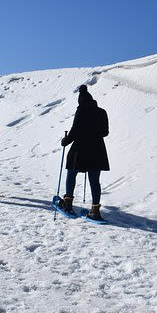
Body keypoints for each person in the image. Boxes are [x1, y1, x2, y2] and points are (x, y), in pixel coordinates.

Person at [59, 85, 110, 221]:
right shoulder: (102, 112)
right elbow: (105, 132)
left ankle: (68, 203)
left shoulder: (81, 110)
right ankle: (95, 211)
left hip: (80, 149)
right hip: (97, 150)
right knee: (94, 180)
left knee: (71, 173)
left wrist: (65, 141)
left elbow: (74, 130)